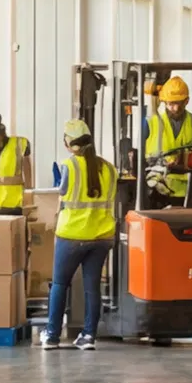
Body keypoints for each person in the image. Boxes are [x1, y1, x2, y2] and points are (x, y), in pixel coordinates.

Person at [47, 117, 118, 349]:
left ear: (68, 143)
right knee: (92, 287)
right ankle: (88, 336)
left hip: (72, 235)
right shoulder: (109, 168)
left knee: (60, 284)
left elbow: (63, 192)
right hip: (101, 236)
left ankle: (52, 336)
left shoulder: (69, 166)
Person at [140, 74, 192, 206]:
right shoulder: (150, 123)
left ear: (186, 101)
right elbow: (140, 157)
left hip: (191, 184)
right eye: (172, 104)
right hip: (159, 182)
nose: (176, 109)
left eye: (179, 104)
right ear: (164, 102)